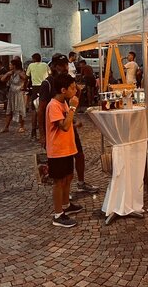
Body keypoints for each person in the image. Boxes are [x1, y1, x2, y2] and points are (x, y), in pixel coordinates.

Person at [38, 54, 99, 195]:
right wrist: (42, 134)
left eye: (65, 64)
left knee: (79, 154)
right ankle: (62, 197)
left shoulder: (67, 81)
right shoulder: (47, 84)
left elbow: (73, 101)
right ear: (53, 66)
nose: (64, 67)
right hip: (56, 129)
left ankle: (80, 183)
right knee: (61, 167)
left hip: (67, 124)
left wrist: (73, 115)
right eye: (60, 65)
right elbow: (41, 110)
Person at [46, 74, 81, 227]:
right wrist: (73, 107)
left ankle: (66, 205)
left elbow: (67, 123)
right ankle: (58, 214)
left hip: (67, 148)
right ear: (63, 89)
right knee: (59, 181)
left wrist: (75, 125)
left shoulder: (63, 103)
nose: (75, 90)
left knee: (68, 177)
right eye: (72, 88)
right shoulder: (53, 105)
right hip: (57, 150)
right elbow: (64, 126)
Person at [0, 58, 27, 133]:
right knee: (9, 110)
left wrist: (23, 87)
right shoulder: (11, 73)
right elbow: (2, 79)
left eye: (10, 65)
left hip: (19, 93)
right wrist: (8, 74)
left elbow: (25, 78)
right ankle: (6, 127)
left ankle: (21, 126)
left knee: (20, 109)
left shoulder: (20, 73)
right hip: (12, 93)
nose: (9, 66)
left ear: (14, 66)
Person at [26, 53, 49, 139]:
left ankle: (33, 131)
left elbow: (27, 77)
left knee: (34, 110)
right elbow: (49, 74)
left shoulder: (31, 65)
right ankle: (45, 129)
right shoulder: (45, 65)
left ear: (34, 59)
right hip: (44, 86)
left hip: (35, 88)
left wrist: (25, 86)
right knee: (45, 108)